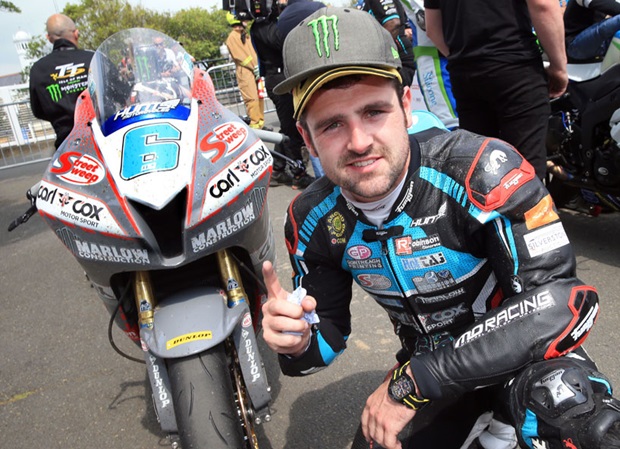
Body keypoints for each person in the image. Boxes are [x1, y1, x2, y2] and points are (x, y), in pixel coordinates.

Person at [261, 6, 620, 449]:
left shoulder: (482, 168)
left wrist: (413, 381)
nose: (358, 142)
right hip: (432, 380)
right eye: (332, 124)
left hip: (522, 362)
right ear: (307, 137)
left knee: (581, 420)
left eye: (374, 112)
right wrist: (295, 341)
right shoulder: (309, 219)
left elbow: (564, 303)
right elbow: (326, 340)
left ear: (405, 107)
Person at [423, 0, 568, 180]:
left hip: (466, 73)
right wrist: (559, 67)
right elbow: (543, 5)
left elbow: (432, 28)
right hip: (515, 66)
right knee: (526, 172)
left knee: (481, 170)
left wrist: (463, 58)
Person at [249, 1, 318, 189]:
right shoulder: (261, 26)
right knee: (291, 131)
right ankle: (298, 173)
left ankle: (277, 169)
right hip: (278, 82)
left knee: (289, 128)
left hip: (284, 79)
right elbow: (283, 41)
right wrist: (288, 15)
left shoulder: (271, 23)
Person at [29, 13, 93, 150]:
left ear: (48, 38)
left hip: (67, 145)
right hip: (102, 138)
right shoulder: (93, 59)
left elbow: (38, 110)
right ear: (76, 34)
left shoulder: (38, 69)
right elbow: (119, 92)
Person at [356, 0, 416, 88]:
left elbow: (393, 23)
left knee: (391, 91)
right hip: (392, 54)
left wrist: (380, 52)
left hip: (397, 54)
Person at [224, 11, 266, 129]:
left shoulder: (244, 34)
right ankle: (255, 126)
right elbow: (242, 57)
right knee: (251, 99)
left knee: (259, 97)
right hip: (246, 73)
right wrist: (255, 66)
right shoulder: (233, 37)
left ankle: (260, 124)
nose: (247, 20)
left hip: (254, 71)